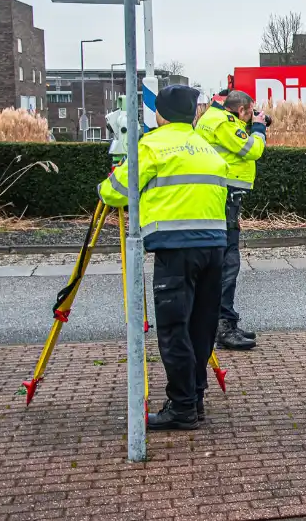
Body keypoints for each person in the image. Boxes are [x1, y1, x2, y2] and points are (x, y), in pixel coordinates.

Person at [97, 85, 228, 430]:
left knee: (174, 329)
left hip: (176, 250)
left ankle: (182, 408)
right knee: (202, 329)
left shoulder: (153, 146)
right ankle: (195, 400)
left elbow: (116, 192)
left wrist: (103, 186)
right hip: (215, 248)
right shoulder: (207, 148)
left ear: (162, 114)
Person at [195, 89, 266, 351]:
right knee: (228, 262)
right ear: (242, 109)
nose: (250, 118)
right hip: (224, 197)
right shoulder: (224, 123)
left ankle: (224, 321)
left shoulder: (211, 119)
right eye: (250, 112)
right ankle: (223, 325)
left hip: (218, 196)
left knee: (222, 261)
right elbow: (252, 149)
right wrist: (259, 128)